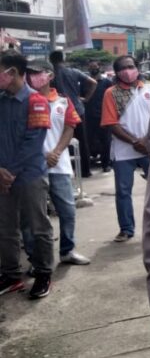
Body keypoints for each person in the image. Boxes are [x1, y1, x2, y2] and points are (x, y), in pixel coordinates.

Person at [0, 51, 55, 299]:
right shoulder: (1, 100)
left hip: (29, 175)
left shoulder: (36, 101)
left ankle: (43, 273)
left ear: (12, 72)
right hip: (3, 176)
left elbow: (33, 144)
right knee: (5, 227)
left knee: (38, 226)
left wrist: (7, 172)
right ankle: (11, 275)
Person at [25, 58, 91, 265]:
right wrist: (43, 154)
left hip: (59, 165)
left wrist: (56, 152)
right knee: (31, 217)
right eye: (30, 73)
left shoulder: (63, 101)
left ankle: (67, 250)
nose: (33, 77)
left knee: (67, 210)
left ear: (50, 75)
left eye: (38, 73)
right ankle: (35, 258)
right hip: (32, 167)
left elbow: (69, 127)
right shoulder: (25, 101)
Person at [101, 55, 150, 243]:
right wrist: (135, 142)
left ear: (137, 68)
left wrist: (148, 141)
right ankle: (126, 229)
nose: (127, 71)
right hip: (124, 151)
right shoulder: (111, 93)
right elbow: (111, 124)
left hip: (149, 149)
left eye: (131, 66)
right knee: (123, 192)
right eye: (123, 68)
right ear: (116, 73)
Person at [50, 50, 97, 178]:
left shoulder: (51, 75)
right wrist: (86, 98)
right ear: (63, 59)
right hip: (77, 109)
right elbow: (93, 82)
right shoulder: (73, 72)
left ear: (51, 60)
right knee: (82, 141)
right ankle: (86, 171)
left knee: (59, 141)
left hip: (60, 111)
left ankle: (62, 170)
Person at [86, 60, 113, 172]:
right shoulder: (85, 82)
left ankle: (105, 164)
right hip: (88, 117)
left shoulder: (106, 82)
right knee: (87, 141)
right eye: (91, 67)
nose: (93, 69)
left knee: (105, 141)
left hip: (103, 117)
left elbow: (112, 99)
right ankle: (86, 167)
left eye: (95, 66)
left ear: (99, 67)